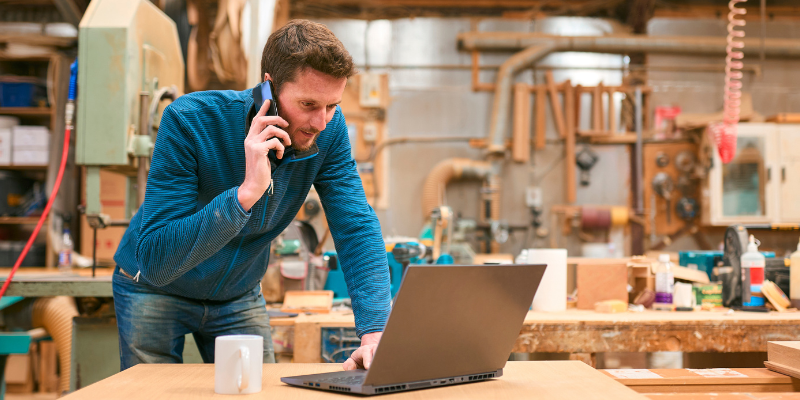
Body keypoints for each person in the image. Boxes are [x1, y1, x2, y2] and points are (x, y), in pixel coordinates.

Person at [112, 19, 390, 372]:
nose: (321, 121)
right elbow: (157, 260)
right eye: (308, 104)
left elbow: (355, 226)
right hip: (154, 287)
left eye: (332, 105)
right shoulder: (189, 121)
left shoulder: (328, 131)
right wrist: (245, 195)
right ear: (269, 89)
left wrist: (376, 332)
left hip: (237, 294)